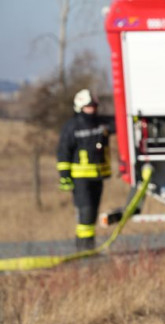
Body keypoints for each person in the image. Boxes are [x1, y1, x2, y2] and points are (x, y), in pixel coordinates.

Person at [56, 89, 115, 252]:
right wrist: (65, 177)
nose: (93, 109)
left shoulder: (101, 123)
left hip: (98, 176)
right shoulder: (72, 127)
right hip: (80, 178)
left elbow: (119, 124)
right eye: (89, 106)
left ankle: (89, 247)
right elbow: (63, 152)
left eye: (94, 106)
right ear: (80, 107)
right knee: (86, 212)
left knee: (93, 212)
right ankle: (83, 249)